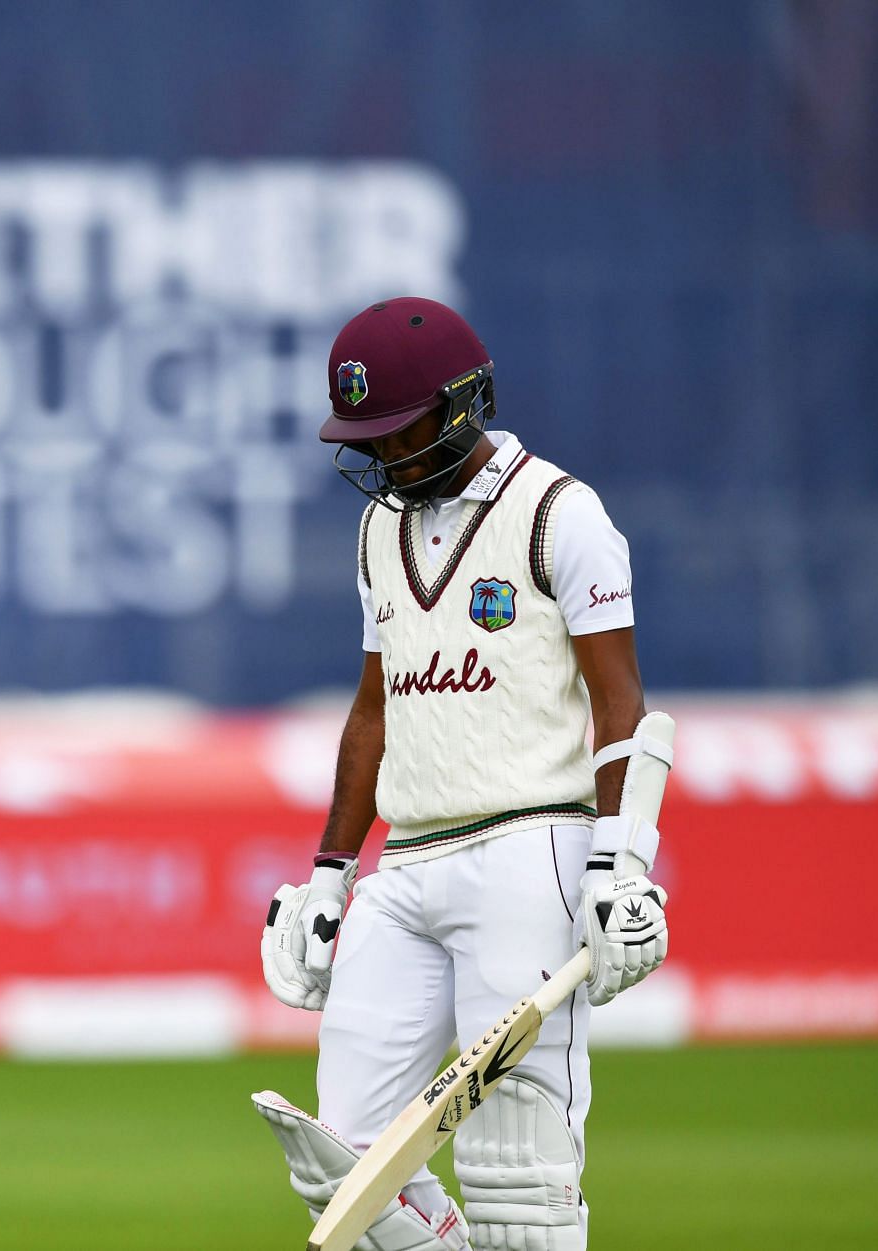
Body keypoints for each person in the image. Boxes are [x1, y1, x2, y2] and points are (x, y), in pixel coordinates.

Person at [255, 297, 670, 1250]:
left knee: (517, 1184)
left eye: (400, 432)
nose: (388, 459)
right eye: (369, 439)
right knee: (345, 1172)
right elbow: (375, 711)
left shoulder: (560, 513)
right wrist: (329, 874)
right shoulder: (376, 535)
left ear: (461, 405)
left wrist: (621, 862)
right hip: (406, 865)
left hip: (533, 848)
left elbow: (619, 701)